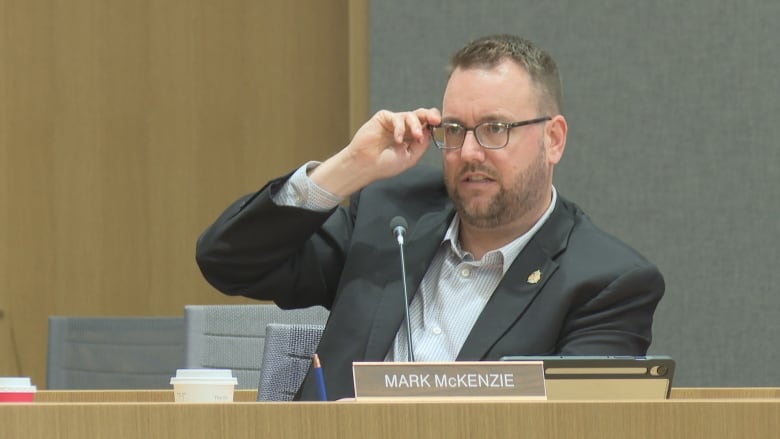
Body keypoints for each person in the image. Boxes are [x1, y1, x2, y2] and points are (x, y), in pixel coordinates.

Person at [195, 34, 665, 401]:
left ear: (553, 139)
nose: (470, 152)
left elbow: (577, 425)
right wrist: (348, 170)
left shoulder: (606, 282)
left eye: (496, 129)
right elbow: (228, 261)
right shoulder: (392, 214)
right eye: (456, 130)